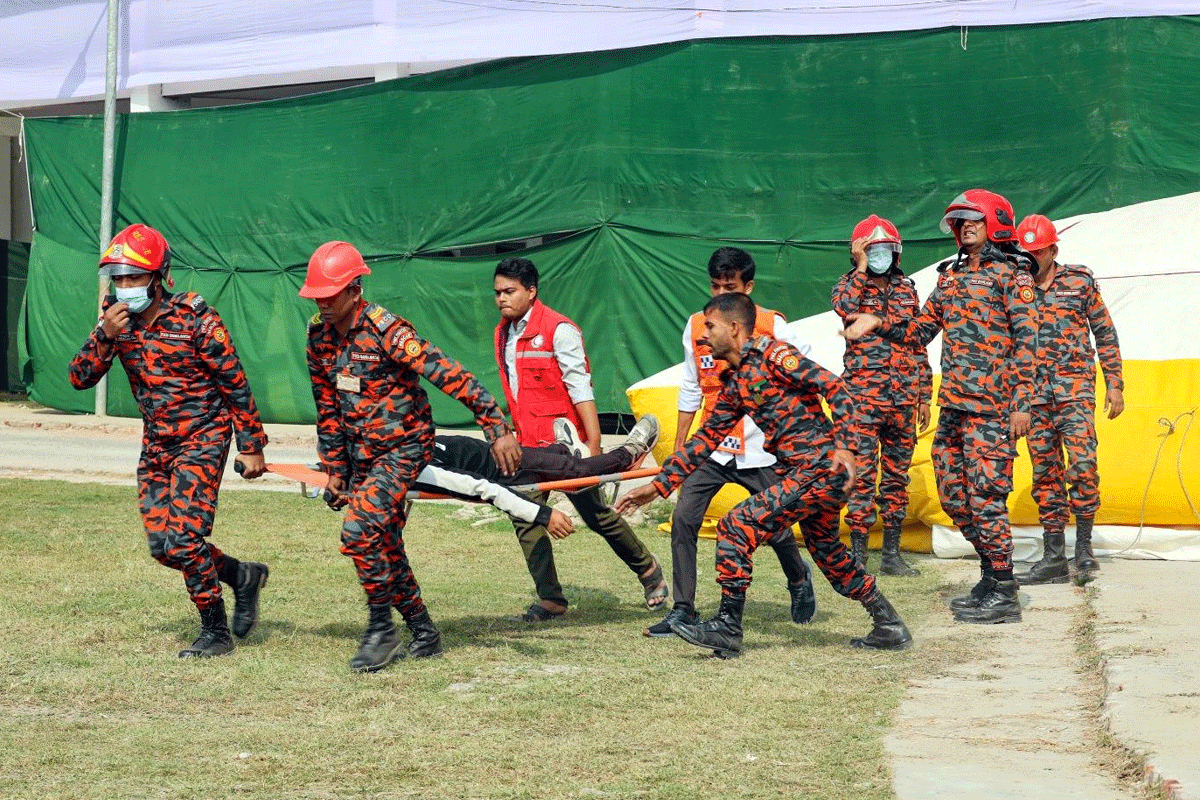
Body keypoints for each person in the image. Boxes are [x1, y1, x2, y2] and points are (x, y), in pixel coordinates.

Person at [617, 292, 912, 658]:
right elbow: (705, 439)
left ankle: (727, 627)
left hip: (820, 467)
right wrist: (658, 485)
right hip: (804, 472)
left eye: (710, 326)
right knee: (829, 554)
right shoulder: (737, 381)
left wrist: (847, 446)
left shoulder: (775, 356)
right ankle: (888, 623)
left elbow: (834, 387)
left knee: (737, 525)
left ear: (735, 327)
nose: (703, 335)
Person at [303, 241, 521, 672]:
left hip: (404, 448)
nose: (323, 304)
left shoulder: (388, 331)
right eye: (316, 296)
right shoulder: (318, 336)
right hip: (361, 456)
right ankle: (423, 631)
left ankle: (382, 630)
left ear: (354, 289)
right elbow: (326, 406)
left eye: (330, 295)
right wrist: (334, 469)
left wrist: (497, 428)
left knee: (358, 530)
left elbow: (449, 374)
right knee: (382, 542)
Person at [68, 223, 271, 659]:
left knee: (183, 540)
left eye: (134, 278)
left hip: (203, 438)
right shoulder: (114, 320)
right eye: (118, 279)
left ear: (159, 277)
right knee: (164, 548)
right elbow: (79, 378)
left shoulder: (198, 319)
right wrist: (105, 335)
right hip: (157, 444)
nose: (125, 287)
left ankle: (215, 632)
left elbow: (235, 384)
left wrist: (251, 444)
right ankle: (241, 576)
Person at [840, 189, 1038, 625]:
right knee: (954, 497)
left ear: (994, 223)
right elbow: (920, 330)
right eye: (958, 222)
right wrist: (880, 323)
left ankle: (1004, 589)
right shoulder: (949, 277)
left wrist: (1022, 405)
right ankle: (991, 574)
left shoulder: (1014, 275)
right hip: (954, 407)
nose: (964, 227)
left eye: (973, 220)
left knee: (986, 499)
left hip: (993, 409)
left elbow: (1029, 343)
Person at [647, 246, 816, 639]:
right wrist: (679, 449)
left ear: (749, 287)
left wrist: (794, 436)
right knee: (683, 519)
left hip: (761, 449)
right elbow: (690, 388)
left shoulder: (774, 325)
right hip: (713, 447)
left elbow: (807, 376)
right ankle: (683, 610)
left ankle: (798, 576)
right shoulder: (696, 328)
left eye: (731, 287)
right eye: (716, 286)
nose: (722, 295)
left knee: (773, 526)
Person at [493, 257, 667, 622]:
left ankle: (649, 570)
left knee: (597, 514)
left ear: (531, 291)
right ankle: (552, 599)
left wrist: (594, 445)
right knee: (524, 516)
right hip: (527, 446)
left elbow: (580, 388)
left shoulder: (559, 330)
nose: (501, 299)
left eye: (509, 291)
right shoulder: (502, 332)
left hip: (566, 446)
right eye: (497, 293)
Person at [1013, 214, 1124, 584]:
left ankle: (1085, 550)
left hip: (1074, 395)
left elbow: (1104, 333)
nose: (1031, 257)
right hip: (1034, 399)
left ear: (1053, 250)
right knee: (1045, 475)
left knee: (1082, 467)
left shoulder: (1078, 281)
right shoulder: (1014, 286)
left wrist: (1115, 384)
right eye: (1025, 251)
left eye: (1038, 251)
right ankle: (1053, 557)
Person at [832, 216, 931, 576]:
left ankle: (891, 554)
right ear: (858, 251)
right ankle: (858, 555)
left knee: (895, 478)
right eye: (873, 250)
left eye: (886, 249)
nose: (881, 256)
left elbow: (917, 340)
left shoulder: (907, 288)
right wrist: (861, 267)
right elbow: (844, 308)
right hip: (862, 399)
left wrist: (924, 394)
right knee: (861, 475)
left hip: (904, 398)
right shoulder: (848, 286)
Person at [420, 414, 660, 537]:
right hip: (507, 471)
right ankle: (630, 451)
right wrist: (544, 515)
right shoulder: (419, 469)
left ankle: (564, 449)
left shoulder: (400, 441)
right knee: (578, 473)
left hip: (497, 456)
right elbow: (481, 487)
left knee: (562, 463)